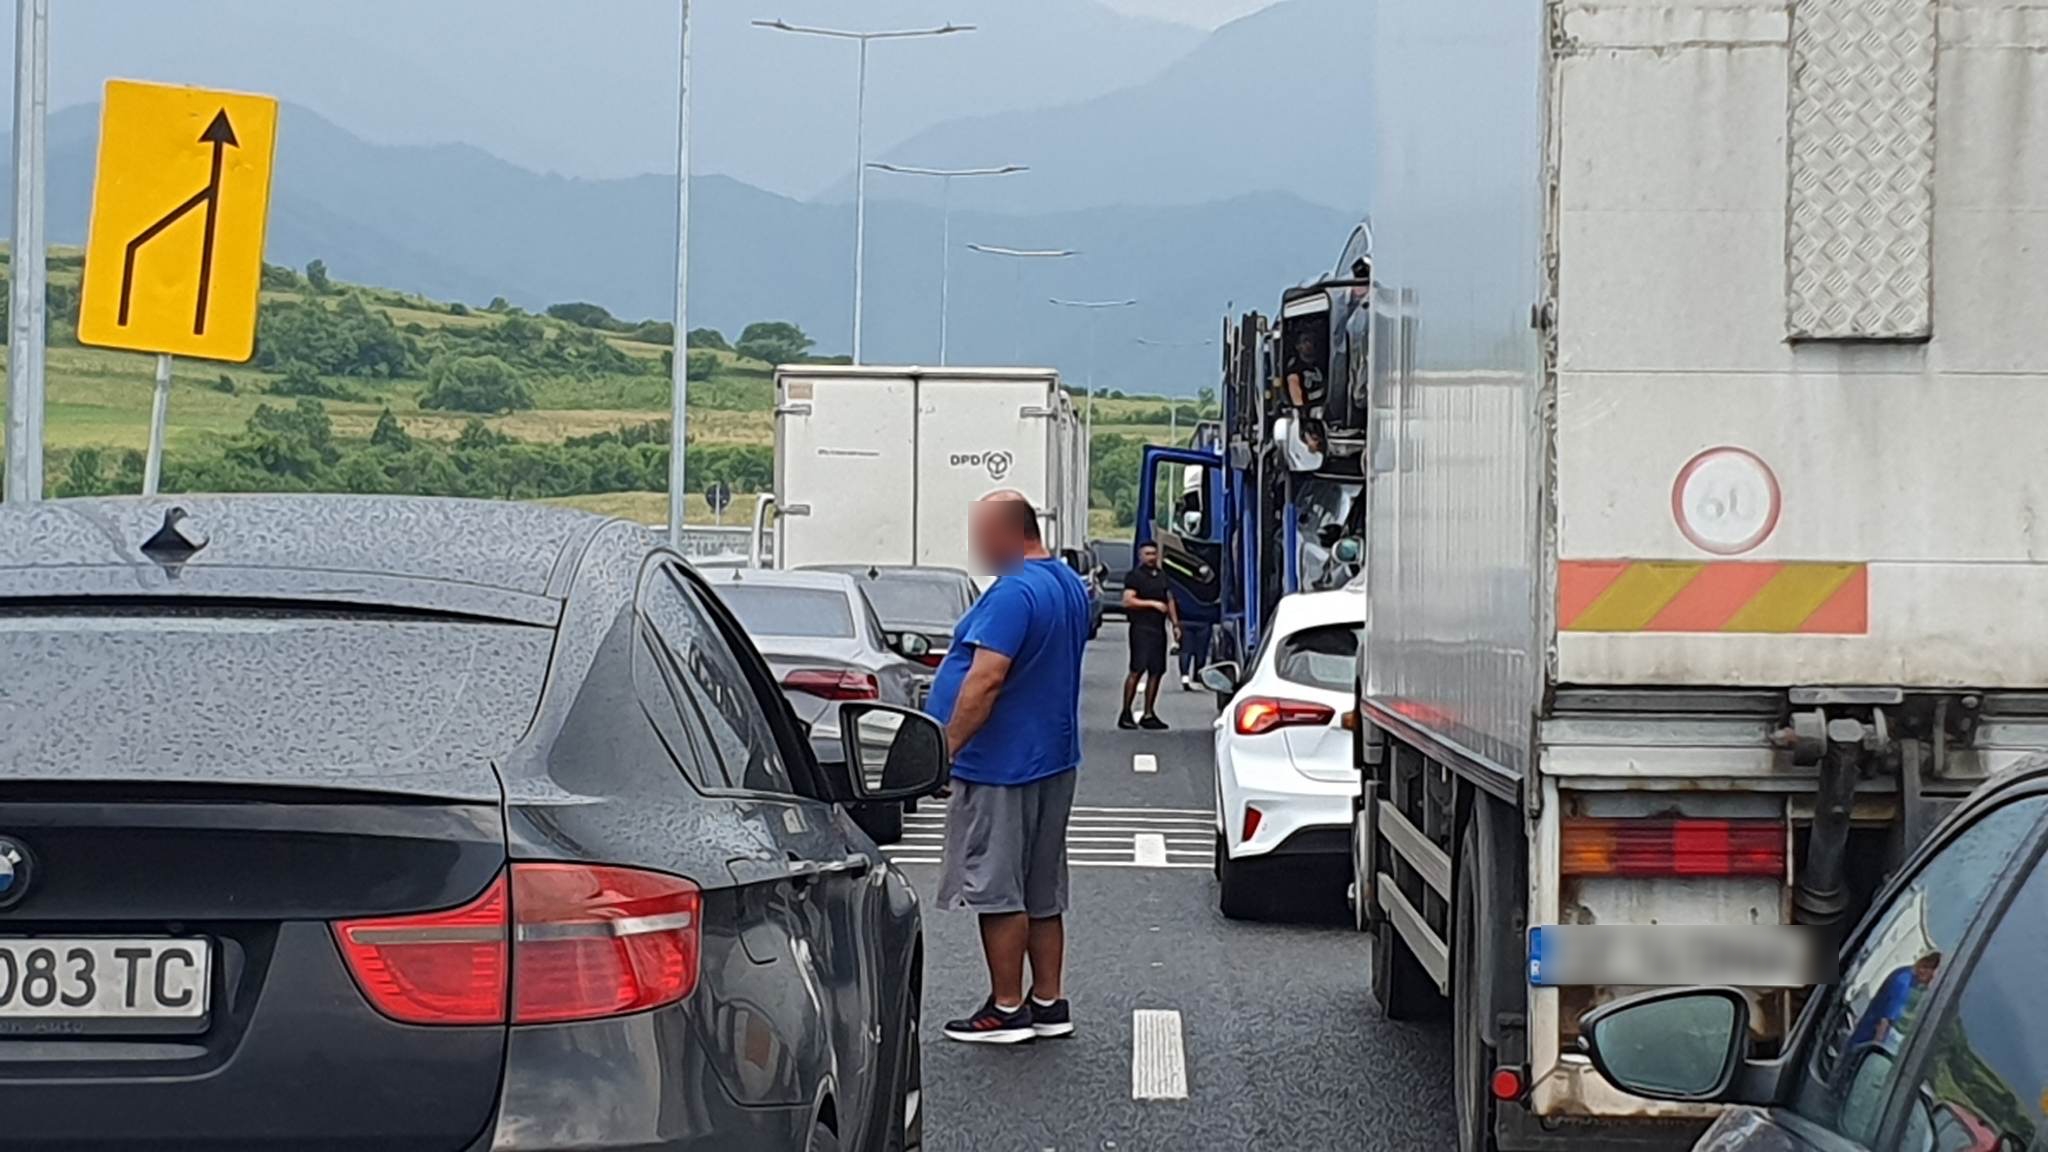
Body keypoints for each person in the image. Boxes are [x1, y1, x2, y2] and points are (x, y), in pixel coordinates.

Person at [926, 490, 1093, 1045]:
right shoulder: (1065, 583)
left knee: (996, 889)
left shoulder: (1014, 592)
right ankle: (1048, 1001)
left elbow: (986, 679)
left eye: (982, 536)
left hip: (1000, 764)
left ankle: (1006, 1009)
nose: (978, 548)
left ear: (1008, 533)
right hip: (1052, 759)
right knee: (1041, 890)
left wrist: (944, 748)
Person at [1119, 540, 1179, 729]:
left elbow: (1169, 600)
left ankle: (1149, 713)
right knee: (1137, 669)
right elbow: (1128, 601)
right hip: (1141, 628)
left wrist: (1175, 624)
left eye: (1154, 554)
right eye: (1148, 554)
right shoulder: (1135, 576)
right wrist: (1152, 604)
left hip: (1158, 629)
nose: (1151, 557)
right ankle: (1126, 712)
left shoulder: (1161, 576)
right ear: (1140, 556)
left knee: (1157, 671)